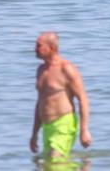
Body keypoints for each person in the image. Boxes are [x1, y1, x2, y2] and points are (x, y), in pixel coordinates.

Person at [29, 32, 92, 161]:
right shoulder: (40, 70)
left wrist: (84, 130)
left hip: (64, 124)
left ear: (52, 48)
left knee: (55, 161)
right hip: (47, 127)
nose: (35, 49)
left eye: (39, 45)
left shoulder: (67, 69)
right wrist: (34, 134)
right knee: (50, 165)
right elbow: (40, 103)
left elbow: (83, 99)